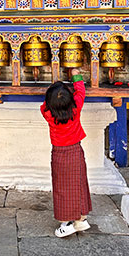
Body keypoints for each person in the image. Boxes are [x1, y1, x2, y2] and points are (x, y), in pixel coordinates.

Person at [40, 70, 92, 238]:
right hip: (76, 151)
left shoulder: (48, 114)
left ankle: (67, 222)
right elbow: (81, 91)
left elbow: (44, 105)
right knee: (79, 184)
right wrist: (75, 75)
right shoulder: (75, 108)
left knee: (63, 189)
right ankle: (81, 219)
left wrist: (52, 94)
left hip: (59, 155)